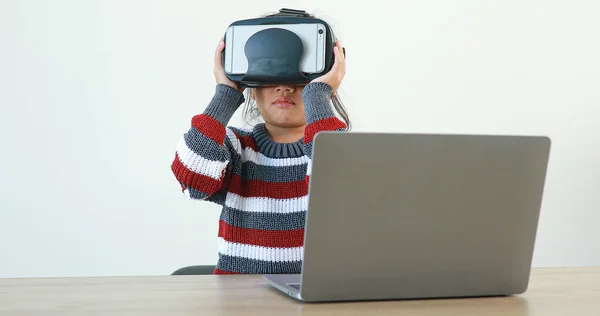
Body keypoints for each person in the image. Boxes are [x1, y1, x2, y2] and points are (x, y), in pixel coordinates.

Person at [171, 11, 350, 274]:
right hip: (240, 300)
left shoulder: (338, 146)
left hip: (315, 299)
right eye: (271, 77)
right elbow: (191, 179)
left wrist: (319, 95)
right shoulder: (235, 148)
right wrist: (225, 94)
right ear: (253, 90)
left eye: (301, 81)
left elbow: (340, 188)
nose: (285, 88)